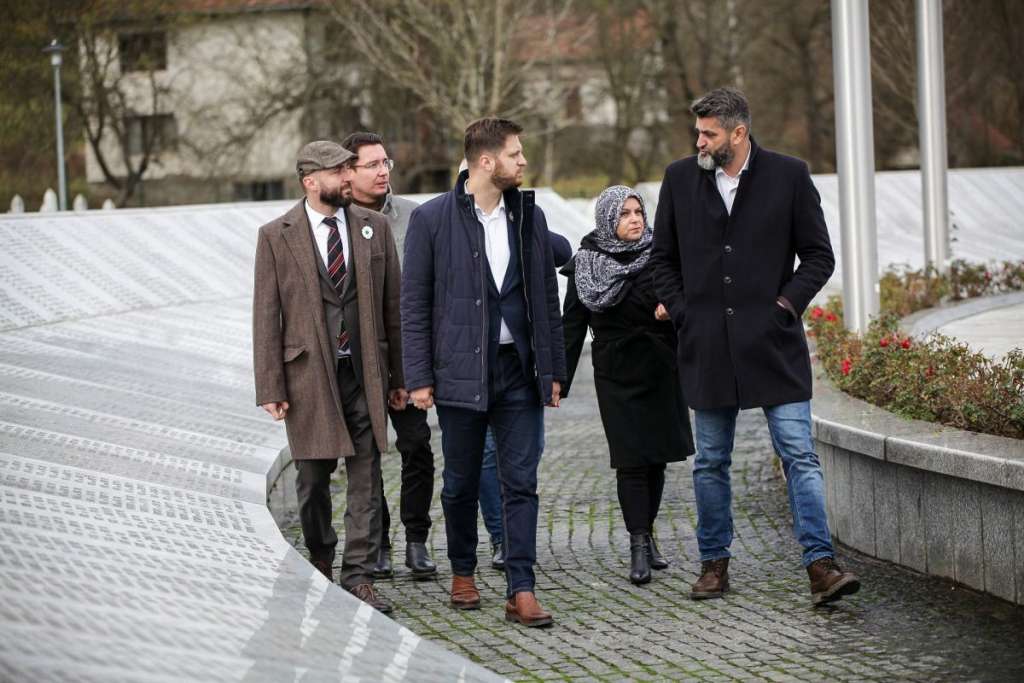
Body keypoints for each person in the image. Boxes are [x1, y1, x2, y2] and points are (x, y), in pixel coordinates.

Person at [650, 87, 861, 605]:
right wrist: (685, 314)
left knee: (800, 456)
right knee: (710, 461)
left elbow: (818, 256)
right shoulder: (679, 179)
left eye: (709, 133)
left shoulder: (789, 175)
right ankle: (713, 564)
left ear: (739, 133)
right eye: (698, 132)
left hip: (773, 344)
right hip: (706, 347)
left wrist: (784, 307)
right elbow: (662, 261)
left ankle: (821, 566)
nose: (699, 142)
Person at [402, 118, 566, 627]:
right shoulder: (431, 219)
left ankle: (522, 589)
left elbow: (547, 298)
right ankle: (463, 571)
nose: (523, 162)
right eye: (515, 154)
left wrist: (554, 369)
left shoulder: (529, 216)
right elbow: (414, 305)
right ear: (487, 162)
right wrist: (418, 377)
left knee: (522, 482)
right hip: (459, 371)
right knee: (460, 483)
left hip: (518, 370)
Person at [252, 140, 405, 614]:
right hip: (308, 377)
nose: (347, 177)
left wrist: (400, 376)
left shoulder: (374, 227)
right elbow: (266, 315)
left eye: (347, 169)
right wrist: (271, 386)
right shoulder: (276, 236)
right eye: (338, 172)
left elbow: (393, 307)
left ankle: (358, 575)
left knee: (366, 476)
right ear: (310, 181)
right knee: (312, 481)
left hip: (365, 373)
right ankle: (320, 558)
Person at [561, 185, 694, 585]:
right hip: (616, 372)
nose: (634, 219)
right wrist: (557, 381)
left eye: (638, 212)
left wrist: (672, 310)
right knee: (630, 459)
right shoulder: (586, 264)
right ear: (607, 219)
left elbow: (691, 303)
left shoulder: (662, 256)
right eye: (624, 214)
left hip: (660, 367)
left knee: (656, 458)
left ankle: (648, 535)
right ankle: (638, 543)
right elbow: (571, 327)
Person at [340, 131, 437, 581]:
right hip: (360, 360)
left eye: (386, 163)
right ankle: (377, 542)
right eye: (372, 165)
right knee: (367, 453)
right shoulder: (338, 222)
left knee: (417, 445)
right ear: (349, 171)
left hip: (409, 353)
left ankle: (417, 539)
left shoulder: (414, 217)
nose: (383, 172)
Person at [479, 230, 571, 572]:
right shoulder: (455, 224)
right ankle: (501, 536)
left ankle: (514, 534)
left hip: (520, 360)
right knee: (487, 453)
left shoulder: (520, 220)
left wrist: (524, 222)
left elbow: (562, 250)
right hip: (477, 357)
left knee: (528, 451)